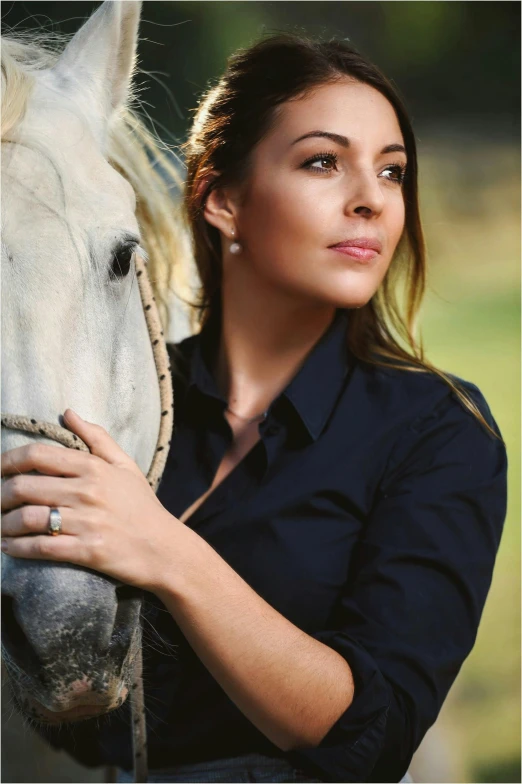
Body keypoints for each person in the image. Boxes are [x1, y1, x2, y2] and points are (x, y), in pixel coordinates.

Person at [1, 33, 508, 784]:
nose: (371, 197)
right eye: (322, 162)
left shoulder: (438, 432)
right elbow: (80, 728)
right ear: (222, 201)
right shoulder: (119, 408)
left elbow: (374, 739)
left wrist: (163, 551)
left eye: (392, 170)